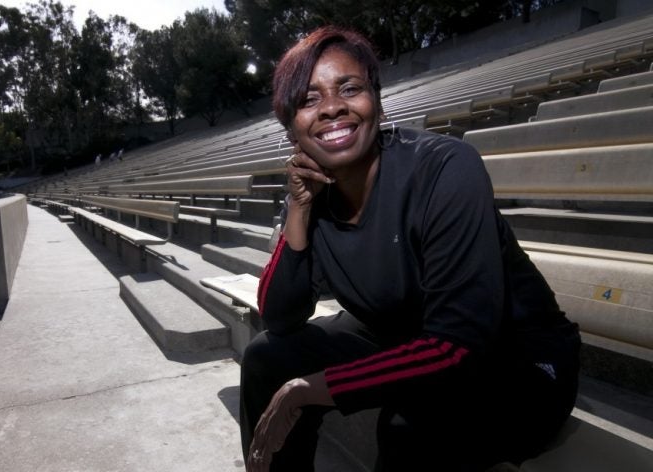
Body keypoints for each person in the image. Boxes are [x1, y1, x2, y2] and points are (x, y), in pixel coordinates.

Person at [240, 26, 580, 472]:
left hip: (517, 362)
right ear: (291, 131)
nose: (332, 108)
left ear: (376, 103)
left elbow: (456, 346)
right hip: (402, 334)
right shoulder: (314, 196)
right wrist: (299, 210)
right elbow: (280, 317)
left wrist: (311, 388)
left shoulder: (444, 167)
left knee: (409, 426)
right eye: (308, 100)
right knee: (268, 358)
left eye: (350, 88)